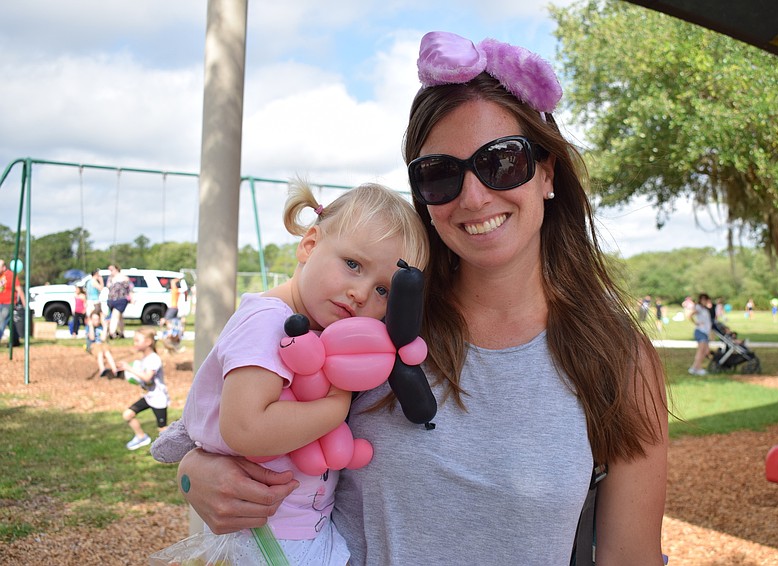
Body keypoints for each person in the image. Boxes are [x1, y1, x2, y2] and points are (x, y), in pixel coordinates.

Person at [165, 31, 669, 565]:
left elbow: (630, 556)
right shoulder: (366, 321)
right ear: (422, 197)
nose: (474, 197)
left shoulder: (620, 362)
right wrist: (197, 477)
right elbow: (199, 436)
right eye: (440, 174)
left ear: (547, 173)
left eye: (502, 162)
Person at [153, 180, 429, 564]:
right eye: (353, 265)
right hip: (266, 542)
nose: (361, 293)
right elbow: (245, 428)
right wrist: (337, 404)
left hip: (298, 534)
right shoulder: (269, 323)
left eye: (383, 290)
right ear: (310, 244)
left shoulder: (317, 331)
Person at [120, 326, 168, 450]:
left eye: (137, 340)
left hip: (158, 399)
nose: (134, 343)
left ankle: (177, 448)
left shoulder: (154, 359)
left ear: (148, 342)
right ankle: (141, 437)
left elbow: (147, 378)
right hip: (148, 397)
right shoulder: (145, 358)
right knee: (127, 415)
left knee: (163, 429)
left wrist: (129, 369)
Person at [86, 311, 118, 378]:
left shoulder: (101, 327)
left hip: (102, 345)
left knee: (107, 352)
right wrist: (91, 326)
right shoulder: (88, 327)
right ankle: (102, 370)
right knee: (100, 352)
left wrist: (105, 327)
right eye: (94, 319)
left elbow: (103, 339)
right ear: (91, 320)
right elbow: (92, 338)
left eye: (97, 319)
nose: (96, 321)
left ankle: (115, 369)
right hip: (93, 345)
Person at [0, 259, 25, 344]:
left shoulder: (11, 275)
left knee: (2, 320)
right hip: (0, 302)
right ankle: (15, 340)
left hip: (8, 303)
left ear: (3, 267)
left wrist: (24, 304)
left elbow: (19, 290)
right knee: (10, 322)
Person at [106, 264, 133, 338]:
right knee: (119, 317)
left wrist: (132, 298)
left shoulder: (124, 278)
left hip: (121, 299)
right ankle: (122, 333)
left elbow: (130, 289)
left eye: (112, 270)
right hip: (112, 299)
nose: (111, 272)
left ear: (117, 269)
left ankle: (112, 333)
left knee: (115, 315)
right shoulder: (110, 278)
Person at [689, 293, 713, 375]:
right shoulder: (698, 308)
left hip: (705, 332)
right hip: (700, 332)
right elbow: (690, 315)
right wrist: (696, 323)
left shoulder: (705, 309)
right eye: (702, 299)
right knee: (700, 351)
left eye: (705, 299)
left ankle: (694, 367)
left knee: (706, 351)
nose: (704, 301)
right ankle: (698, 368)